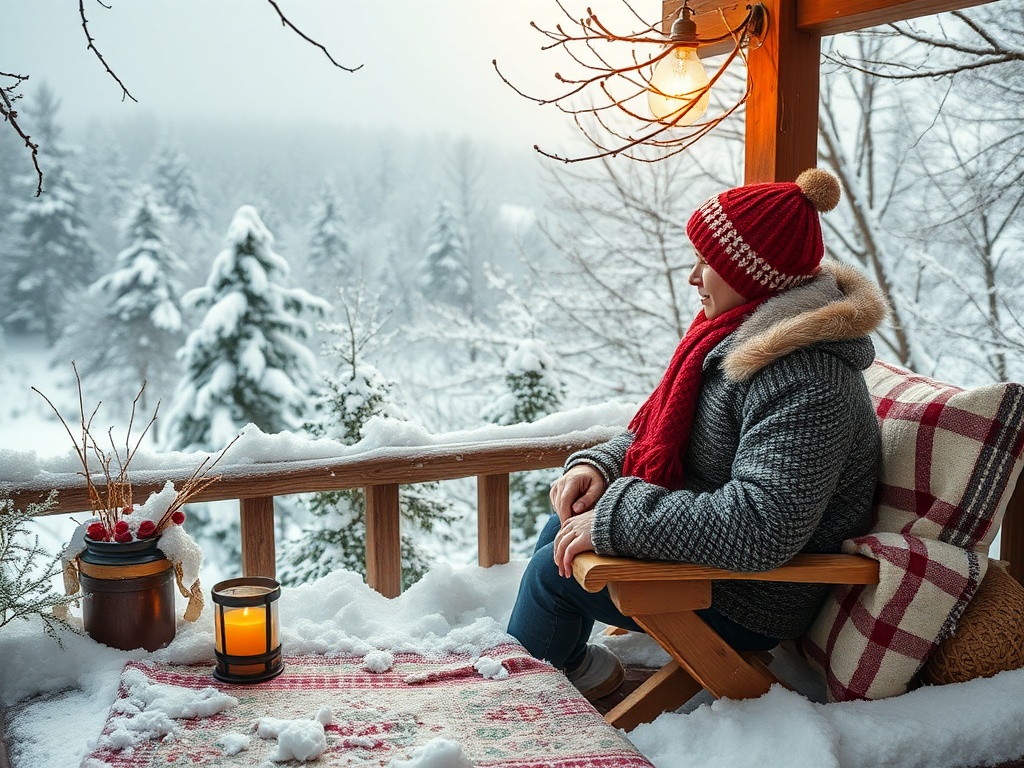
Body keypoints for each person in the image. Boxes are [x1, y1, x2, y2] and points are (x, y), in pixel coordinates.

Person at [507, 168, 888, 701]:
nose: (693, 277)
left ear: (753, 275)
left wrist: (618, 517)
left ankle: (513, 712)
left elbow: (762, 526)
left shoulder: (807, 379)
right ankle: (573, 673)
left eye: (707, 262)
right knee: (562, 529)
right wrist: (599, 469)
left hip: (753, 594)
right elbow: (671, 438)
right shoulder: (732, 340)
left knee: (556, 575)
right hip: (717, 559)